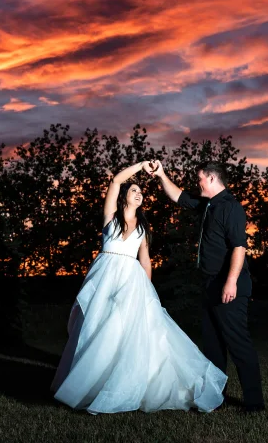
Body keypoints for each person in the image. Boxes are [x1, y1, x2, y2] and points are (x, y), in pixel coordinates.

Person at [51, 161, 227, 414]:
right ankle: (92, 383)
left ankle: (124, 384)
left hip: (132, 283)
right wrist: (141, 166)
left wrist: (147, 292)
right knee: (98, 329)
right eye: (134, 190)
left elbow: (145, 261)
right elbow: (115, 181)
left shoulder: (143, 228)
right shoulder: (110, 217)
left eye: (141, 191)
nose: (139, 193)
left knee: (124, 331)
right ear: (124, 197)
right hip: (104, 279)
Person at [150, 160, 265, 412]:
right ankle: (216, 399)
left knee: (238, 344)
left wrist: (230, 282)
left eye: (200, 178)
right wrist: (160, 174)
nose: (197, 182)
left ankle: (255, 403)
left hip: (229, 285)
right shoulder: (207, 204)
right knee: (212, 347)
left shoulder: (230, 207)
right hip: (209, 285)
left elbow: (239, 247)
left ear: (212, 179)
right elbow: (178, 196)